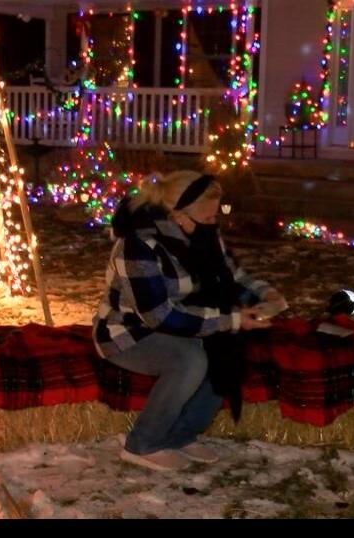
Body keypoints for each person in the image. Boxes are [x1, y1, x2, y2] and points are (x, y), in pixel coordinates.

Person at [93, 170, 285, 471]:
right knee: (190, 360)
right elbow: (158, 316)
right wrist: (230, 320)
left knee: (226, 351)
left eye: (214, 216)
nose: (213, 223)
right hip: (129, 333)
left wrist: (266, 294)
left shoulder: (202, 234)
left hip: (188, 322)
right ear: (177, 214)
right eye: (207, 217)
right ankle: (142, 443)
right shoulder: (138, 246)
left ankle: (180, 435)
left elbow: (231, 275)